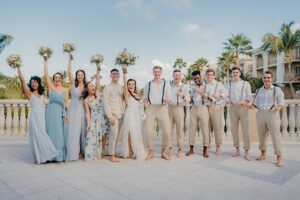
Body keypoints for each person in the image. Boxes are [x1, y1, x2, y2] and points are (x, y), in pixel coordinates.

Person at [16, 67, 58, 164]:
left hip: (42, 118)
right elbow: (22, 81)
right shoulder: (29, 94)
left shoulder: (42, 94)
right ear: (30, 84)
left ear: (39, 83)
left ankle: (46, 155)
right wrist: (18, 67)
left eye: (36, 82)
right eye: (32, 82)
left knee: (43, 135)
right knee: (37, 137)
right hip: (34, 118)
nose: (34, 84)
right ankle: (40, 158)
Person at [252, 71, 284, 167]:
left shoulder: (277, 90)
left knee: (275, 136)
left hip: (272, 114)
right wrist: (249, 105)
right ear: (262, 79)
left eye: (268, 77)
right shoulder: (259, 90)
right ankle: (263, 154)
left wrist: (278, 107)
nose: (266, 79)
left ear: (271, 78)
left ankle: (279, 157)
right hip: (261, 114)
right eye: (264, 78)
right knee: (261, 135)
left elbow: (282, 102)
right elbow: (255, 103)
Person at [144, 66, 172, 160]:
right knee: (148, 131)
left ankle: (163, 152)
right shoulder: (148, 84)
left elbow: (169, 98)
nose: (157, 73)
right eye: (155, 72)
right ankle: (150, 151)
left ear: (161, 73)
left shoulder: (166, 84)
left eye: (158, 72)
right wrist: (146, 100)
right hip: (151, 108)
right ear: (153, 72)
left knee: (167, 131)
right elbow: (145, 97)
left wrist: (166, 100)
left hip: (162, 108)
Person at [44, 56, 69, 162]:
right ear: (54, 79)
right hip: (50, 112)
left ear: (62, 79)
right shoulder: (51, 88)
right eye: (56, 77)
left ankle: (59, 156)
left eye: (59, 77)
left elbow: (66, 103)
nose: (57, 79)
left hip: (60, 113)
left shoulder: (66, 89)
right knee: (49, 132)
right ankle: (49, 156)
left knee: (59, 134)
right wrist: (46, 61)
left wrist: (67, 115)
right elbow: (46, 75)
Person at [82, 65, 109, 161]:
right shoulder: (86, 100)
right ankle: (93, 153)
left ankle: (100, 152)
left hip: (103, 117)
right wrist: (88, 124)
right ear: (87, 89)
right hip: (94, 119)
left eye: (93, 86)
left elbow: (98, 81)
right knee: (94, 136)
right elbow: (87, 113)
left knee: (104, 135)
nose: (93, 87)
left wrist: (98, 69)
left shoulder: (98, 93)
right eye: (90, 86)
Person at [120, 64, 147, 160]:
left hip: (137, 115)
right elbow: (124, 80)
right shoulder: (126, 93)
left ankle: (135, 149)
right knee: (130, 132)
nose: (131, 85)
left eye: (132, 84)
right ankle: (130, 152)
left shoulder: (137, 94)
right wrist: (124, 71)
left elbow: (141, 105)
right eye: (129, 84)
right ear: (127, 85)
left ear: (135, 85)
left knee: (136, 132)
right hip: (129, 114)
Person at [227, 67, 252, 161]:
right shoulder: (229, 84)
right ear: (232, 74)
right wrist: (228, 100)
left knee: (245, 129)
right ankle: (237, 149)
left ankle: (247, 151)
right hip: (232, 107)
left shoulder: (246, 84)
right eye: (233, 72)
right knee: (234, 130)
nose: (235, 74)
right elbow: (227, 95)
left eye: (237, 72)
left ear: (240, 73)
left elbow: (249, 95)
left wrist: (245, 101)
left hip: (243, 107)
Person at [66, 54, 87, 161]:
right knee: (73, 131)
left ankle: (82, 152)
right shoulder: (73, 85)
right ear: (76, 76)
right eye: (78, 75)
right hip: (73, 110)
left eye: (81, 75)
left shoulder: (86, 86)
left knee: (82, 131)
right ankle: (74, 152)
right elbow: (69, 72)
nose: (80, 76)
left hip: (82, 110)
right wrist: (70, 59)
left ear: (84, 76)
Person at [202, 69, 228, 155]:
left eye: (211, 74)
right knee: (207, 126)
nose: (209, 76)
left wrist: (219, 95)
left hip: (216, 106)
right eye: (208, 74)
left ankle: (218, 146)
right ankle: (208, 144)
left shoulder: (219, 84)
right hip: (206, 107)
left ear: (214, 75)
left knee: (217, 127)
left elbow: (226, 93)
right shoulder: (204, 84)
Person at [186, 70, 210, 158]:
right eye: (195, 78)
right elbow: (191, 97)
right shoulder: (192, 85)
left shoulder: (207, 84)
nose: (196, 79)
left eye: (197, 78)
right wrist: (188, 99)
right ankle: (191, 149)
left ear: (201, 77)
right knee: (192, 129)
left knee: (205, 129)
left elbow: (209, 96)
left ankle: (205, 149)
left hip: (203, 108)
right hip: (194, 108)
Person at [103, 69, 125, 162]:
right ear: (110, 75)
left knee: (117, 135)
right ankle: (111, 155)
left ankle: (113, 152)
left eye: (117, 74)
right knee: (114, 134)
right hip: (113, 114)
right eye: (113, 74)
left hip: (121, 114)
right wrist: (109, 116)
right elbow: (105, 102)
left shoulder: (121, 87)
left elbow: (125, 99)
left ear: (119, 76)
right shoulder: (107, 87)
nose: (115, 75)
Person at [167, 69, 190, 158]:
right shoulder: (169, 85)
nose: (177, 77)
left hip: (180, 109)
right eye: (175, 75)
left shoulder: (184, 86)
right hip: (169, 108)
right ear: (173, 76)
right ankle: (170, 149)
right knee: (168, 130)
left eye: (178, 75)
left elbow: (188, 100)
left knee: (180, 130)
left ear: (181, 76)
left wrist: (182, 95)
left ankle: (180, 149)